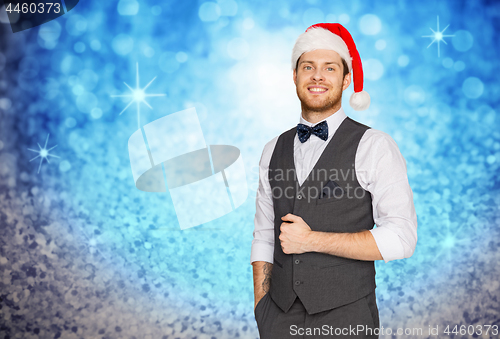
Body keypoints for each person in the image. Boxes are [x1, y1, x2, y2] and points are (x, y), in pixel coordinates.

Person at [250, 23, 418, 339]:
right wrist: (262, 309)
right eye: (308, 67)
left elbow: (402, 238)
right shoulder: (272, 149)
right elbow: (263, 235)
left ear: (345, 80)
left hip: (347, 317)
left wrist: (312, 240)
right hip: (278, 318)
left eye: (329, 67)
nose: (317, 76)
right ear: (295, 76)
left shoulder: (374, 145)